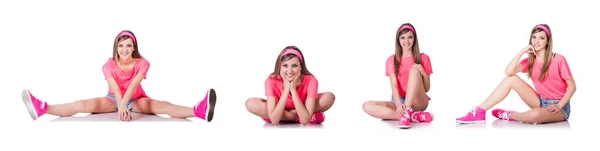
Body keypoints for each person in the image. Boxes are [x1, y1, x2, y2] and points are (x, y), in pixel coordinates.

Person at [21, 30, 217, 122]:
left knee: (163, 106)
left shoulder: (143, 63)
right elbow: (115, 88)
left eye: (128, 46)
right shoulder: (108, 65)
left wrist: (125, 104)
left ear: (134, 47)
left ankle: (198, 110)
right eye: (121, 46)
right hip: (113, 99)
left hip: (136, 99)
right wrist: (120, 104)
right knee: (82, 104)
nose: (124, 49)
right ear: (116, 47)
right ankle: (43, 109)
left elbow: (132, 85)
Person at [456, 24, 574, 124]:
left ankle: (510, 115)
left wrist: (558, 106)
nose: (536, 41)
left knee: (534, 116)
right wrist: (521, 52)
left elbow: (572, 87)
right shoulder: (530, 61)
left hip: (560, 107)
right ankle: (480, 111)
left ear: (548, 41)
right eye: (534, 37)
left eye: (541, 38)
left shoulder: (558, 59)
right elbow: (509, 72)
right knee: (510, 79)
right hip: (540, 101)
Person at [362, 23, 434, 129]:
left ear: (414, 39)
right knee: (367, 106)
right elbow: (394, 86)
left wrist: (422, 71)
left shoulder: (423, 58)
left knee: (414, 70)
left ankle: (406, 113)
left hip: (418, 100)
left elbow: (427, 88)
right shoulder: (391, 60)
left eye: (410, 37)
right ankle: (413, 116)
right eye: (402, 38)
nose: (406, 41)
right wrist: (399, 104)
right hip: (399, 100)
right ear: (398, 40)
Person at [245, 46, 335, 125]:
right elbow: (275, 120)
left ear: (301, 67)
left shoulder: (311, 80)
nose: (289, 71)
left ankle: (282, 116)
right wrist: (286, 89)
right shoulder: (271, 81)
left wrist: (293, 90)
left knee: (329, 97)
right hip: (283, 107)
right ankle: (297, 117)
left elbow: (304, 121)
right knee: (251, 103)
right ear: (280, 67)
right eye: (285, 65)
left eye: (294, 66)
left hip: (301, 106)